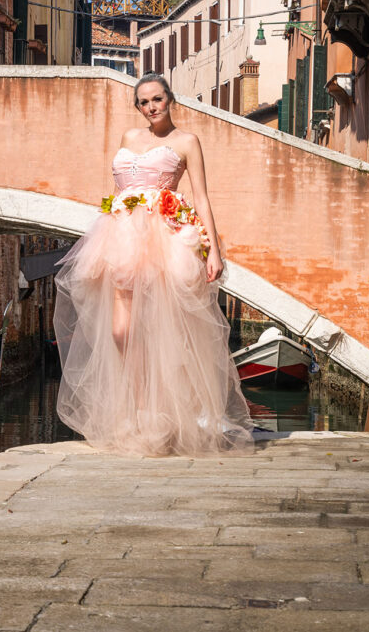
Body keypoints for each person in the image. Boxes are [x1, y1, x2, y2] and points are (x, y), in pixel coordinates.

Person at [53, 73, 254, 457]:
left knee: (164, 326)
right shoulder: (129, 138)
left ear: (170, 99)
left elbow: (202, 197)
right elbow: (119, 191)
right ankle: (139, 407)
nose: (152, 107)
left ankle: (161, 414)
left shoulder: (187, 141)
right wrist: (108, 228)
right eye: (144, 102)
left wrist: (213, 249)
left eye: (157, 99)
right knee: (120, 332)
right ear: (138, 107)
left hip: (163, 236)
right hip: (123, 236)